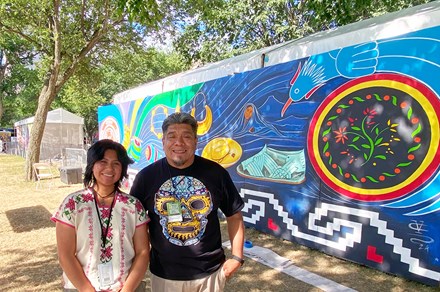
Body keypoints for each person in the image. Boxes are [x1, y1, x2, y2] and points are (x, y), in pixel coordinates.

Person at [130, 112, 245, 292]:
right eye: (172, 136)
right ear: (163, 141)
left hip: (210, 274)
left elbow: (234, 216)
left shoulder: (216, 174)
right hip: (164, 275)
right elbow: (133, 224)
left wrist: (237, 257)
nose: (179, 143)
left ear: (195, 141)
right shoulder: (146, 177)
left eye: (186, 136)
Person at [51, 139, 150, 292]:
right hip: (80, 288)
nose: (109, 168)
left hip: (127, 288)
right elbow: (65, 255)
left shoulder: (133, 206)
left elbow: (143, 252)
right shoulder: (73, 204)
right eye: (103, 161)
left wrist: (127, 290)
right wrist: (87, 290)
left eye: (116, 163)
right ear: (92, 165)